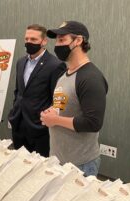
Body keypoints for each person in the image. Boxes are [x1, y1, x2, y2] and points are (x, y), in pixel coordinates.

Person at [40, 21, 108, 176]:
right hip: (58, 160)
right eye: (57, 40)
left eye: (62, 40)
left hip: (81, 165)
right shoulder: (65, 74)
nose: (57, 45)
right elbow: (62, 105)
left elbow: (93, 122)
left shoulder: (90, 78)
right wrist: (52, 111)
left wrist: (55, 121)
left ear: (78, 41)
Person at [8, 24, 65, 157]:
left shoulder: (55, 65)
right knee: (17, 166)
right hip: (18, 124)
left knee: (38, 172)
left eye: (33, 39)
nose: (29, 42)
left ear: (44, 41)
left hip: (39, 129)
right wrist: (14, 113)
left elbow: (57, 100)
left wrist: (46, 122)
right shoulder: (20, 62)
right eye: (26, 39)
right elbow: (19, 91)